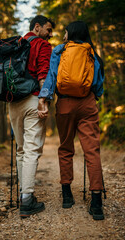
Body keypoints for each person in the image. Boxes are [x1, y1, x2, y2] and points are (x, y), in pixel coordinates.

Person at [38, 21, 105, 220]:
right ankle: (96, 202)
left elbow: (51, 77)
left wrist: (45, 99)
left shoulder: (59, 50)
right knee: (91, 150)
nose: (64, 35)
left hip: (65, 104)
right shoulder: (91, 51)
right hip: (87, 104)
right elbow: (98, 82)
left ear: (70, 33)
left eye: (65, 32)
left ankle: (67, 195)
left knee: (66, 148)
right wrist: (94, 97)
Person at [9, 15, 55, 218]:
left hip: (12, 102)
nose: (50, 34)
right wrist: (43, 101)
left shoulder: (17, 43)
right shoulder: (42, 45)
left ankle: (23, 195)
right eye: (48, 29)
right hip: (33, 99)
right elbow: (44, 73)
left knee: (21, 149)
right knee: (32, 149)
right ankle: (27, 200)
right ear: (37, 27)